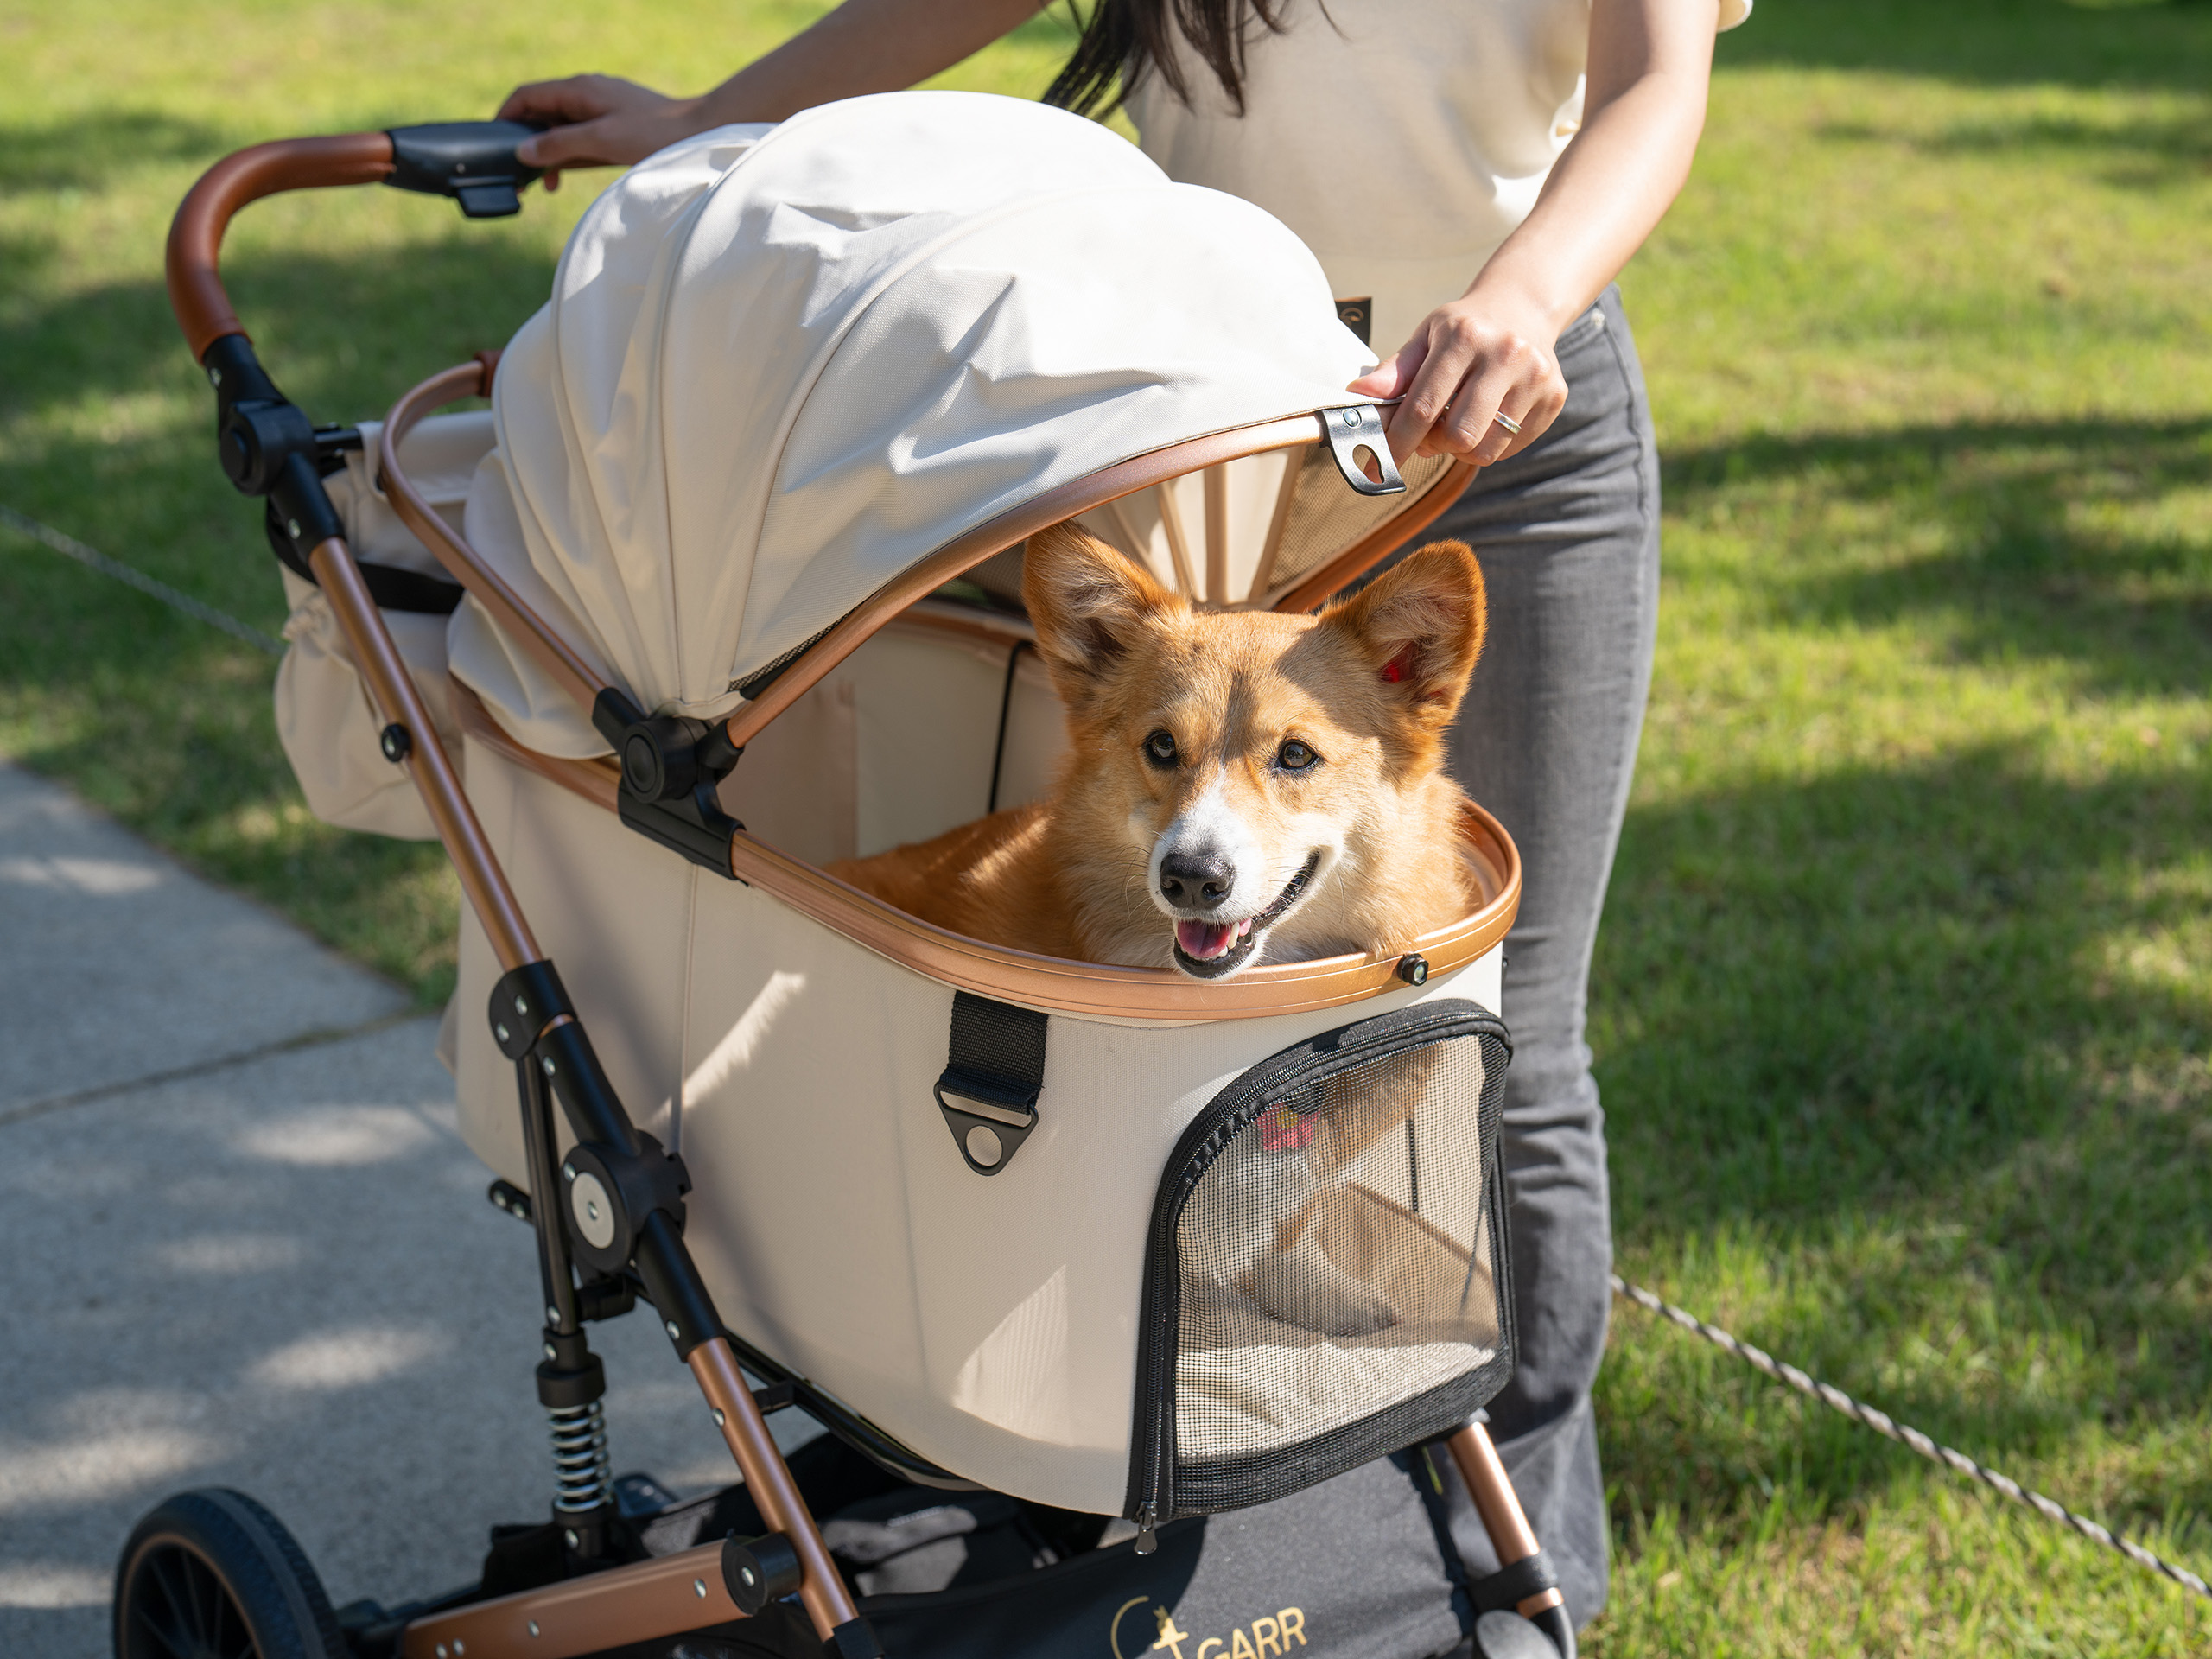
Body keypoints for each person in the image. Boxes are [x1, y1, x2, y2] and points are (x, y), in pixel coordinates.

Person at [498, 0, 1747, 1627]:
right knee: (1148, 1012)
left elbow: (1657, 82)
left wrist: (1516, 300)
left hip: (1501, 405)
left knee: (1495, 1030)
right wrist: (707, 126)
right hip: (1205, 416)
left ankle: (1523, 1577)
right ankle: (1189, 1501)